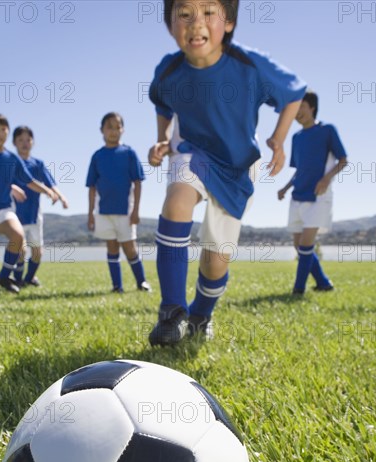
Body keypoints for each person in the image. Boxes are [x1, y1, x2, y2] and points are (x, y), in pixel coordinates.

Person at [147, 0, 306, 345]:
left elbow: (293, 91)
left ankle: (201, 314)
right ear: (170, 25)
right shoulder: (168, 71)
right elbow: (162, 103)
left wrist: (278, 141)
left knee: (215, 262)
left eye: (208, 13)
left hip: (237, 167)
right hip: (193, 152)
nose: (195, 23)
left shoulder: (248, 65)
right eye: (184, 14)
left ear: (229, 23)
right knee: (177, 200)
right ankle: (171, 312)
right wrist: (162, 140)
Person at [0, 112, 57, 294]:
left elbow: (30, 181)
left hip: (3, 210)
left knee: (17, 234)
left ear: (8, 132)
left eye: (3, 129)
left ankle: (5, 275)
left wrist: (48, 191)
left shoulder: (12, 159)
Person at [277, 92, 348, 294]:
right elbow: (299, 170)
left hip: (318, 195)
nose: (298, 113)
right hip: (297, 195)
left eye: (302, 107)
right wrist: (286, 187)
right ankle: (324, 283)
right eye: (295, 109)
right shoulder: (296, 137)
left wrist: (326, 179)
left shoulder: (327, 130)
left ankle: (298, 290)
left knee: (307, 244)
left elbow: (343, 160)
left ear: (312, 108)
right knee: (300, 246)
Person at [86, 112, 151, 293]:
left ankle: (142, 282)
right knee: (112, 247)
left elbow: (138, 182)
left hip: (126, 211)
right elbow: (91, 187)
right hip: (104, 211)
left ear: (123, 130)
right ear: (102, 130)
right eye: (110, 127)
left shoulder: (129, 153)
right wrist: (90, 213)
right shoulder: (97, 156)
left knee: (130, 248)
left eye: (117, 127)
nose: (114, 131)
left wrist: (136, 210)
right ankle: (117, 286)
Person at [12, 126, 69, 287]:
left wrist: (62, 197)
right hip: (16, 214)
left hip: (34, 214)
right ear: (14, 143)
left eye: (28, 140)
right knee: (20, 250)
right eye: (20, 140)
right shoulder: (11, 163)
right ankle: (17, 280)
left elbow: (50, 183)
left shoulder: (38, 164)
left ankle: (29, 278)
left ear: (33, 142)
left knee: (37, 252)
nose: (25, 143)